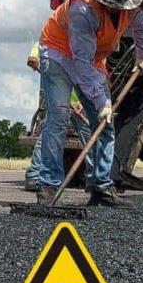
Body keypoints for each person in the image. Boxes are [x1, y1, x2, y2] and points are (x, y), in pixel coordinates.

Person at [35, 0, 143, 207]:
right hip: (58, 54)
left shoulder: (136, 1)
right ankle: (48, 185)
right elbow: (81, 61)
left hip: (93, 59)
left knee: (105, 123)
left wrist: (142, 55)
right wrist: (101, 100)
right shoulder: (82, 7)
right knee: (58, 116)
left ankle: (101, 187)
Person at [24, 44, 94, 191]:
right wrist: (34, 56)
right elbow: (41, 45)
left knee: (89, 137)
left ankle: (94, 180)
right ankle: (34, 176)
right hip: (59, 95)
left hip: (81, 96)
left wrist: (81, 101)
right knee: (50, 134)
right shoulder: (58, 32)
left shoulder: (87, 40)